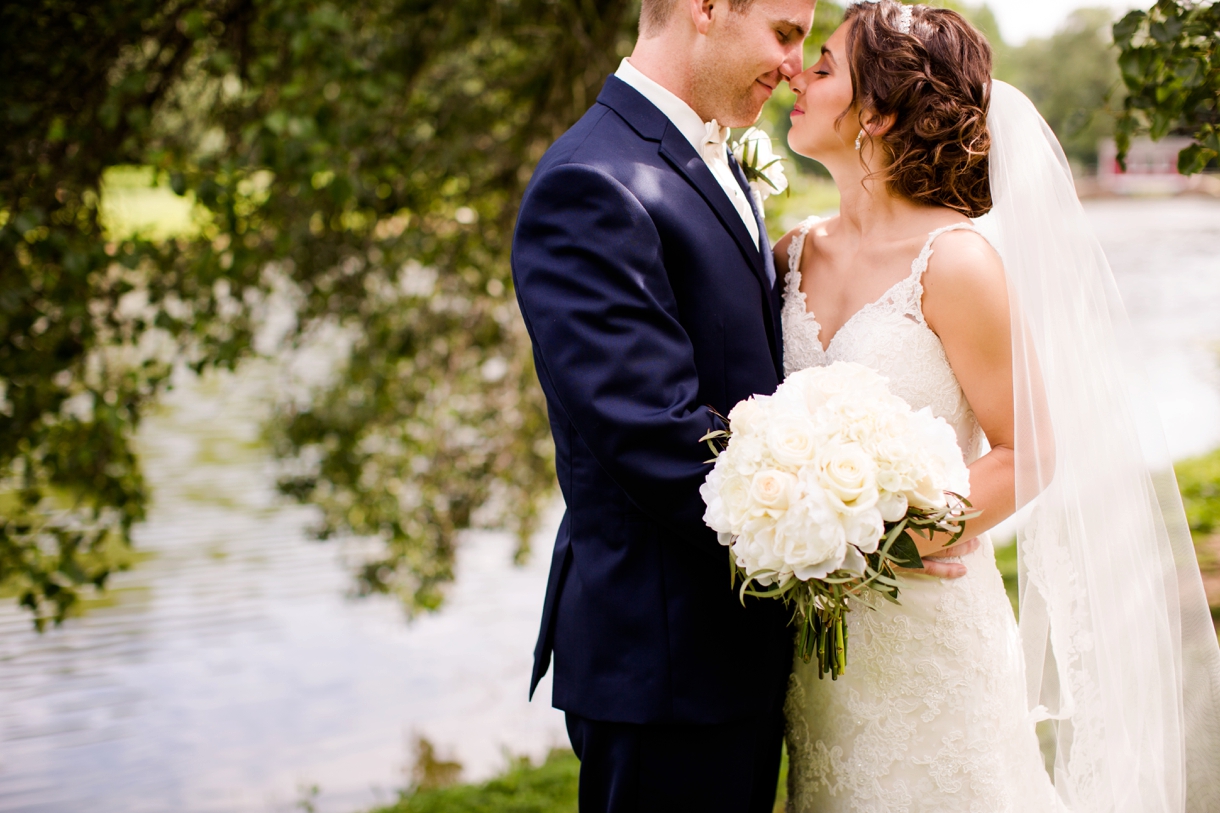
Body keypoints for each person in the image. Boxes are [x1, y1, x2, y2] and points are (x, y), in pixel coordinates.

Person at [777, 2, 1220, 811]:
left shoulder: (956, 263)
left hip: (929, 630)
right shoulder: (790, 253)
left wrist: (885, 543)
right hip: (820, 651)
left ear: (873, 112)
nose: (795, 76)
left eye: (824, 66)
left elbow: (1031, 452)